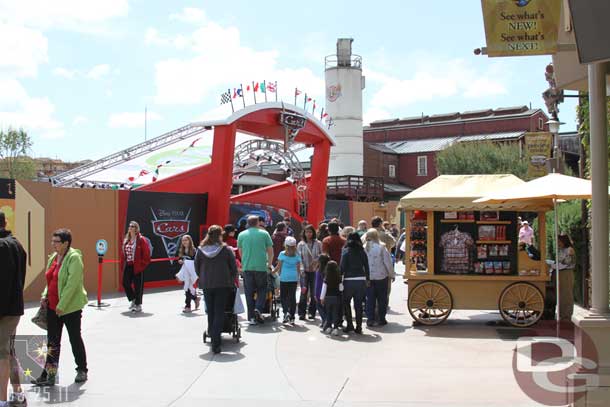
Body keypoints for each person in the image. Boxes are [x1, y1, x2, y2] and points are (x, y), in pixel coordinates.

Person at [32, 229, 88, 386]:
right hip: (52, 307)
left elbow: (72, 284)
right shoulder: (53, 258)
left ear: (66, 243)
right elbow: (49, 281)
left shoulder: (74, 258)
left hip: (70, 308)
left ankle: (82, 370)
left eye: (56, 242)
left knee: (74, 338)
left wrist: (62, 305)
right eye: (52, 241)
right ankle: (49, 375)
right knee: (52, 342)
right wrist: (44, 295)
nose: (53, 244)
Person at [195, 225, 238, 354]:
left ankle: (212, 332)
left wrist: (202, 276)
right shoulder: (226, 250)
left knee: (211, 311)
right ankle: (216, 341)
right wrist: (231, 279)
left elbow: (197, 267)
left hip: (207, 284)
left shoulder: (201, 250)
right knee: (219, 311)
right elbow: (233, 268)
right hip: (223, 284)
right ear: (220, 235)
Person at [0, 211, 27, 406]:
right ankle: (18, 395)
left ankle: (2, 399)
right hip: (14, 308)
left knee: (2, 354)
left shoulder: (2, 246)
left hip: (3, 310)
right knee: (9, 352)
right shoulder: (17, 244)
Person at [237, 215, 274, 324]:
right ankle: (258, 308)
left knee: (249, 292)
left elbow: (240, 251)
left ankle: (251, 317)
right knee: (262, 289)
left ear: (248, 223)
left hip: (247, 267)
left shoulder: (241, 234)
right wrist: (269, 264)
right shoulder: (264, 234)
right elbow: (270, 251)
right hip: (261, 267)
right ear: (258, 223)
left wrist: (244, 262)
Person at [340, 232, 370, 334]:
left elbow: (342, 267)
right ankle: (359, 327)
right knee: (358, 304)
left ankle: (349, 325)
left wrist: (340, 279)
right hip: (361, 280)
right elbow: (366, 266)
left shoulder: (346, 251)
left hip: (348, 280)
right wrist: (368, 279)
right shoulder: (362, 251)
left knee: (346, 302)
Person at [364, 229, 395, 327]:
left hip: (368, 277)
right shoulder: (381, 247)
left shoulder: (364, 248)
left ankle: (370, 319)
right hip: (381, 276)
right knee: (382, 299)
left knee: (370, 299)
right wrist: (392, 274)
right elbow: (387, 262)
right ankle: (381, 319)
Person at [121, 221, 151, 313]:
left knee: (138, 286)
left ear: (136, 228)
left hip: (138, 266)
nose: (130, 227)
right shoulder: (127, 240)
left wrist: (142, 265)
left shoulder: (141, 239)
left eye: (132, 226)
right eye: (129, 226)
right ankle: (133, 299)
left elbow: (146, 253)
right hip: (128, 265)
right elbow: (124, 254)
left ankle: (138, 304)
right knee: (125, 283)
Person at [297, 224, 322, 320]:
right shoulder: (301, 244)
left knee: (314, 293)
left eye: (310, 232)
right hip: (304, 271)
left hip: (315, 271)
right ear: (304, 233)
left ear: (313, 233)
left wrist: (317, 260)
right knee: (303, 292)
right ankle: (301, 313)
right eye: (307, 232)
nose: (308, 234)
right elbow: (299, 258)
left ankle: (312, 312)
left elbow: (322, 255)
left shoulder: (318, 243)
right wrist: (301, 270)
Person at [274, 236, 302, 324]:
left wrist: (272, 271)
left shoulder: (282, 254)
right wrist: (298, 279)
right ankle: (292, 316)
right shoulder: (297, 255)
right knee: (292, 297)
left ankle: (285, 312)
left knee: (283, 297)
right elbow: (298, 269)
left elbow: (278, 267)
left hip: (284, 278)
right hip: (293, 278)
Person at [175, 235, 200, 313]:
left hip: (192, 272)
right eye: (183, 240)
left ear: (190, 241)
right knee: (187, 288)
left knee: (188, 288)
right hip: (185, 271)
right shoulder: (181, 250)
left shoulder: (194, 250)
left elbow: (196, 262)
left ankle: (189, 304)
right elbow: (180, 259)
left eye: (186, 240)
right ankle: (191, 303)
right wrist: (180, 261)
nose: (184, 242)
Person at [554, 233, 576, 321]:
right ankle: (562, 314)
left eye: (559, 241)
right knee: (561, 295)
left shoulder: (569, 250)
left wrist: (555, 266)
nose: (558, 243)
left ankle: (567, 315)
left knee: (567, 294)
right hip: (560, 272)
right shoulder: (561, 250)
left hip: (566, 273)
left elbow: (567, 263)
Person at [320, 260, 342, 336]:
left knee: (328, 313)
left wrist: (322, 298)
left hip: (328, 298)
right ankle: (335, 328)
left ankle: (329, 327)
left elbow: (324, 289)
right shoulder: (338, 278)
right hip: (336, 297)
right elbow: (341, 288)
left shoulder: (326, 278)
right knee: (335, 313)